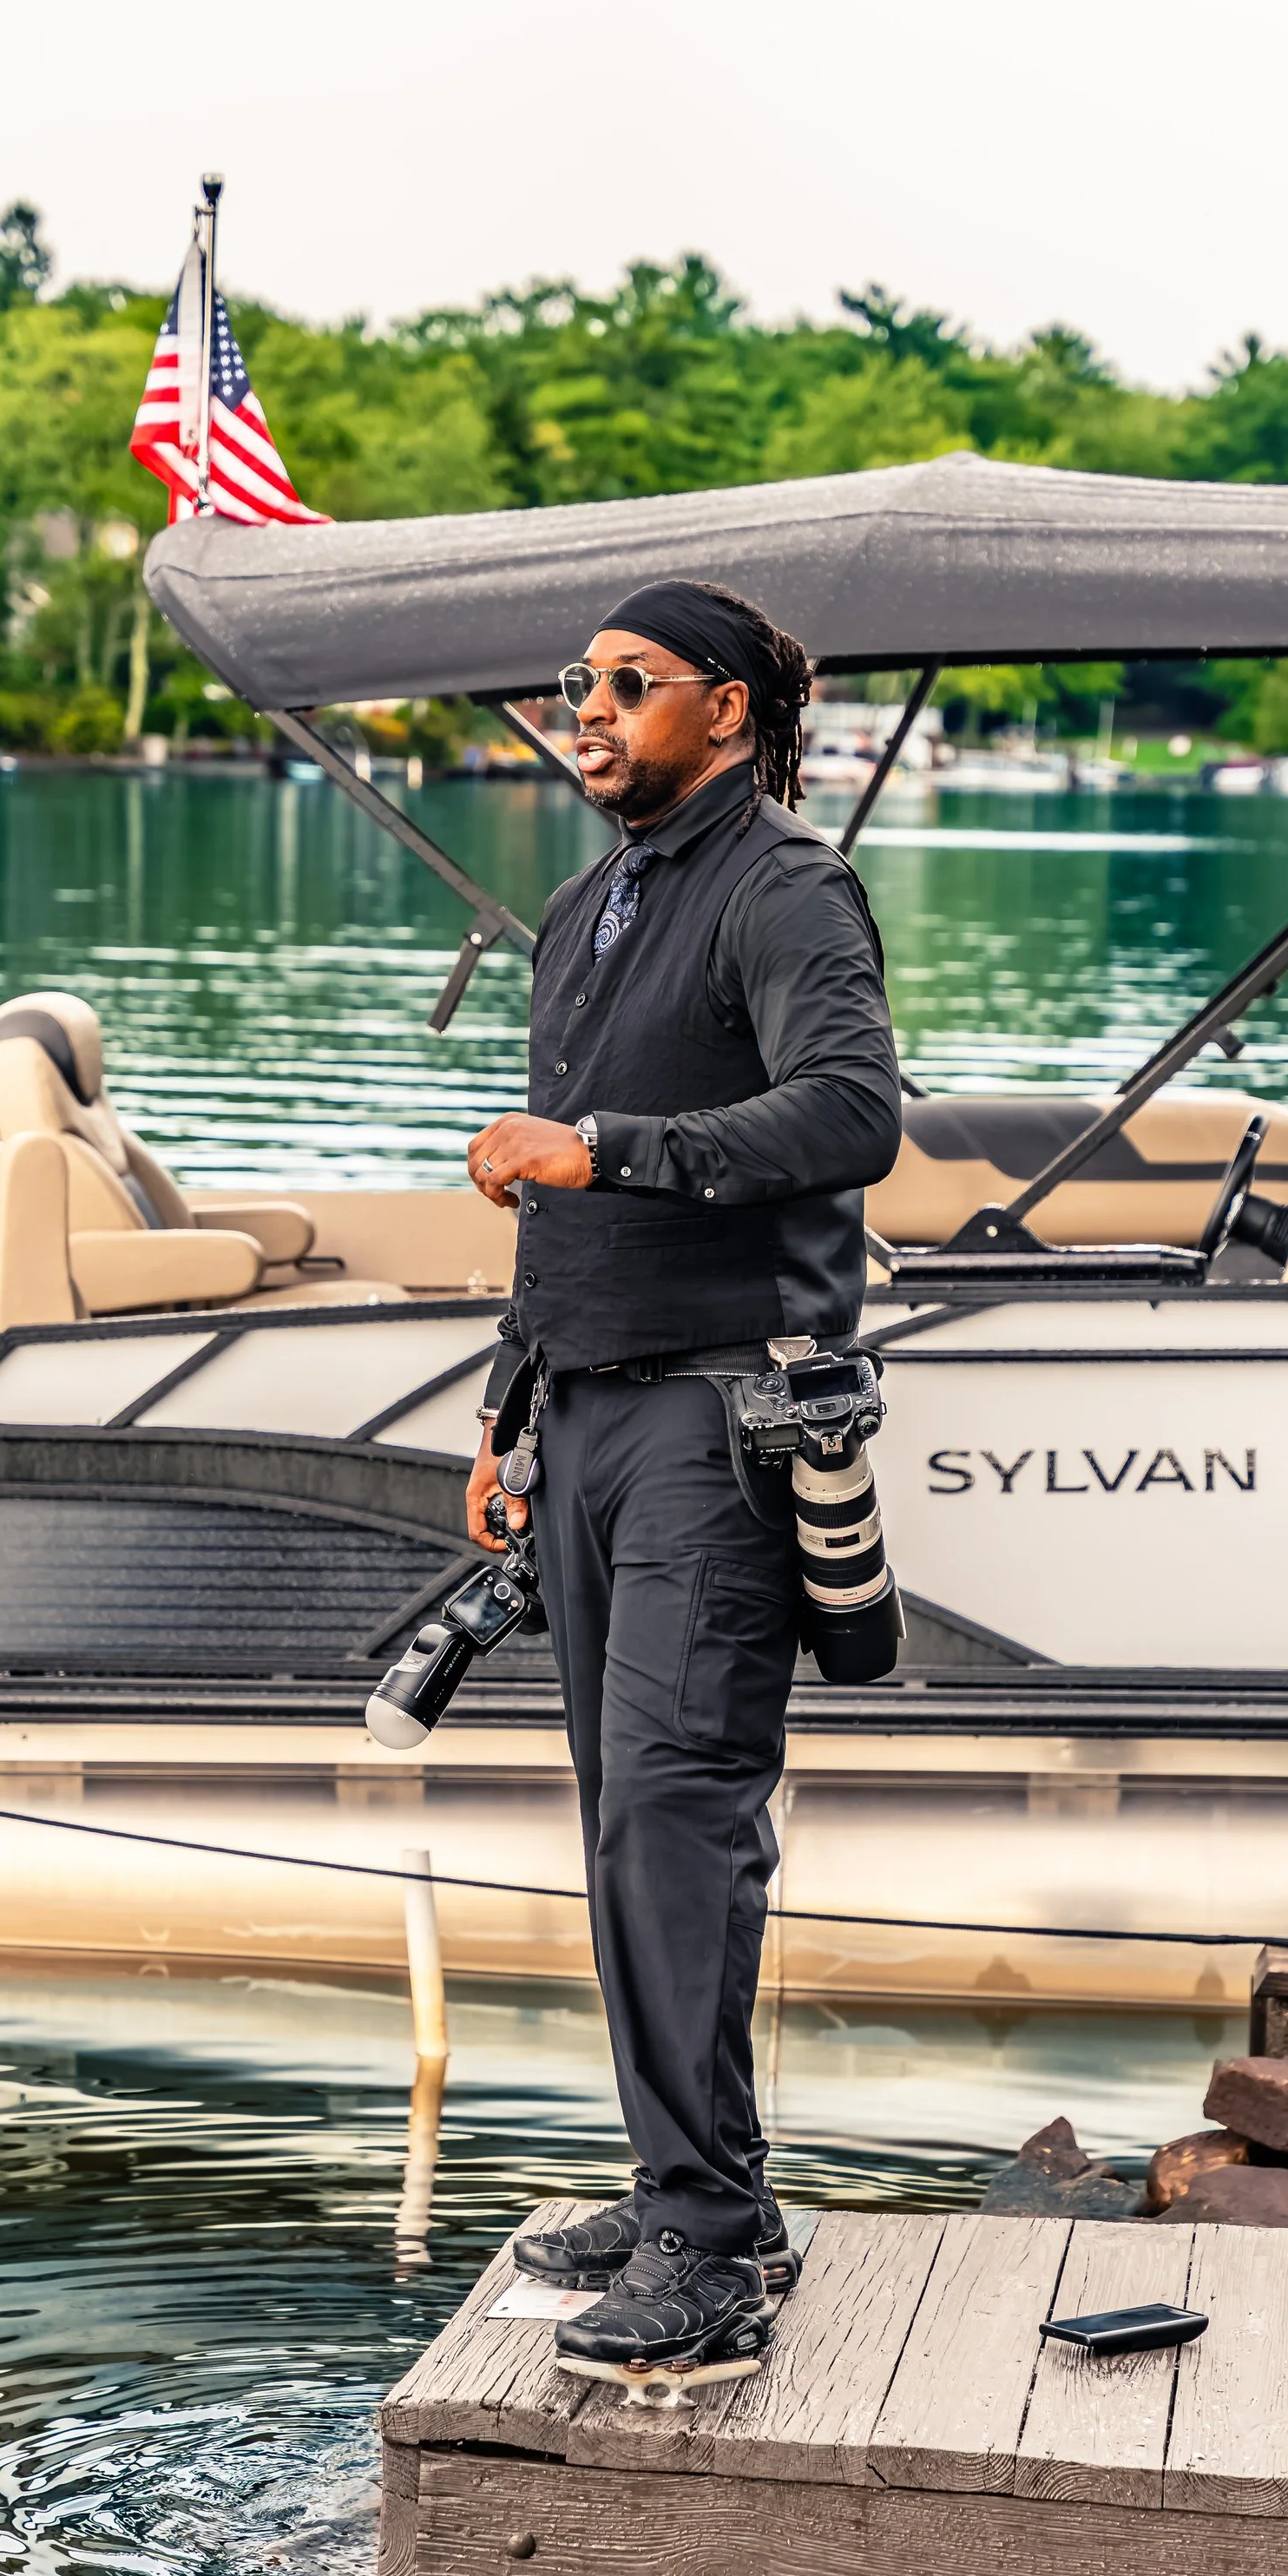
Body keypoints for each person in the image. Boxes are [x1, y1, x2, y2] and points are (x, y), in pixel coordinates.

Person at [462, 576, 903, 2372]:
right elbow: (559, 1215)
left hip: (720, 1427)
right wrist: (506, 1404)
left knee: (674, 1819)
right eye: (575, 682)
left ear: (720, 711)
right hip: (581, 1415)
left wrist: (604, 1145)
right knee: (616, 1823)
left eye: (624, 683)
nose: (586, 707)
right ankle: (683, 2193)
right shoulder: (586, 905)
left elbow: (853, 1111)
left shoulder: (782, 885)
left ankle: (710, 2252)